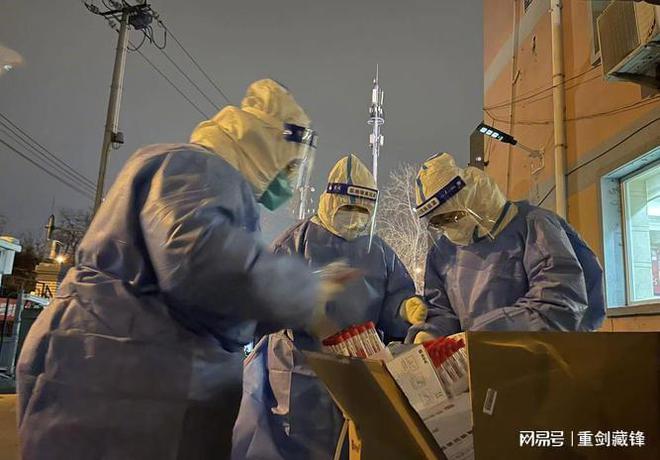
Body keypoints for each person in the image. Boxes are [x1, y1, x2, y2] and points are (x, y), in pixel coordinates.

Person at [17, 79, 346, 460]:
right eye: (288, 165)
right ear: (261, 146)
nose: (289, 180)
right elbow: (203, 265)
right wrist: (302, 291)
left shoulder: (218, 187)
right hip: (121, 386)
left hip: (134, 385)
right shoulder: (195, 168)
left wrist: (288, 299)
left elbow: (223, 302)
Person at [232, 154, 417, 460]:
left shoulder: (378, 251)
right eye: (348, 209)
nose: (355, 218)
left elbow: (394, 297)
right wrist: (306, 296)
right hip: (299, 368)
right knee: (297, 443)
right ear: (331, 201)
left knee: (351, 443)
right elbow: (263, 302)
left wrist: (405, 308)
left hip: (357, 366)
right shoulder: (295, 242)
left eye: (363, 211)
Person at [408, 152, 605, 343]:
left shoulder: (535, 226)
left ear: (473, 198)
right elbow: (442, 310)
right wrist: (432, 332)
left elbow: (558, 304)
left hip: (541, 357)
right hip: (477, 359)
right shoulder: (443, 253)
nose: (449, 227)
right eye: (439, 222)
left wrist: (485, 335)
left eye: (453, 216)